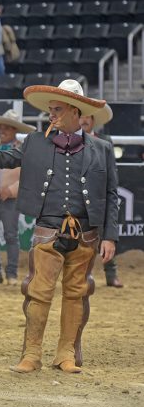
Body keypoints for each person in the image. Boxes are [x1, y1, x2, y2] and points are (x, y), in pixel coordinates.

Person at [0, 79, 119, 374]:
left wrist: (110, 236)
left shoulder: (102, 148)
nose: (51, 115)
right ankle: (32, 354)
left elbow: (111, 194)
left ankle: (65, 354)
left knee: (77, 292)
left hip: (86, 234)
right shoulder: (36, 142)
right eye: (50, 110)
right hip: (47, 229)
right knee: (38, 291)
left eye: (57, 109)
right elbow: (3, 158)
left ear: (75, 111)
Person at [0, 109, 36, 285]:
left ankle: (11, 273)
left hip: (10, 200)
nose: (2, 131)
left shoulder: (23, 150)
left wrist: (11, 190)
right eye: (1, 127)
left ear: (14, 130)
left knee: (11, 235)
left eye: (7, 128)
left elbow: (29, 175)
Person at [79, 104, 123, 288]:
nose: (85, 120)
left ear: (93, 120)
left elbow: (111, 170)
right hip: (79, 195)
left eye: (88, 117)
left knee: (106, 233)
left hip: (99, 193)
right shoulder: (71, 141)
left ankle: (111, 274)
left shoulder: (105, 141)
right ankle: (79, 275)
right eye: (82, 116)